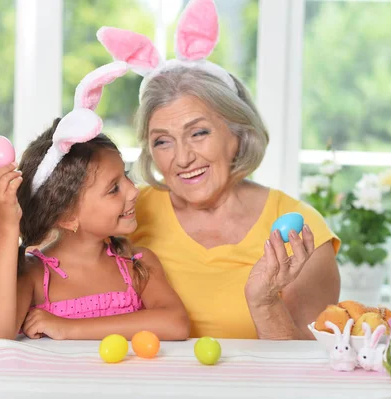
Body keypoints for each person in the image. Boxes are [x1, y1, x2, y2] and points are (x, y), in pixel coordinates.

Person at [97, 0, 341, 340]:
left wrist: (265, 303)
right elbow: (51, 281)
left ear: (238, 136)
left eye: (199, 133)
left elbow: (313, 371)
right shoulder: (124, 214)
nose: (182, 158)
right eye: (163, 141)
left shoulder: (303, 234)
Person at [0, 62, 190, 341]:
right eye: (114, 188)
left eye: (125, 176)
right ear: (67, 217)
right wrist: (6, 226)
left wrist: (69, 328)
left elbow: (175, 324)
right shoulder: (35, 274)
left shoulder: (136, 264)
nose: (133, 190)